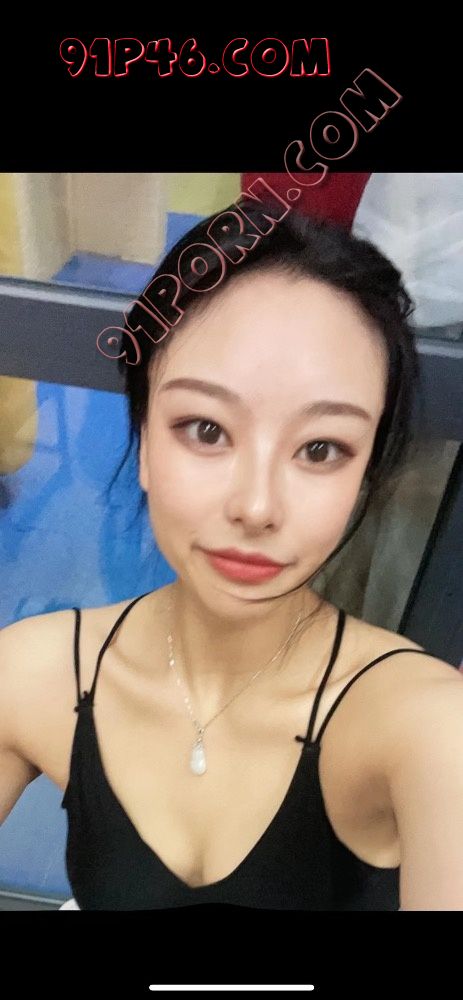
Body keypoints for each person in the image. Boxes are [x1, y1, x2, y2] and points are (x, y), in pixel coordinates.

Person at [1, 201, 462, 911]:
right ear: (143, 440)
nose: (256, 505)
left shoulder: (424, 725)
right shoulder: (31, 676)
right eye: (206, 430)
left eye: (320, 449)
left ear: (364, 476)